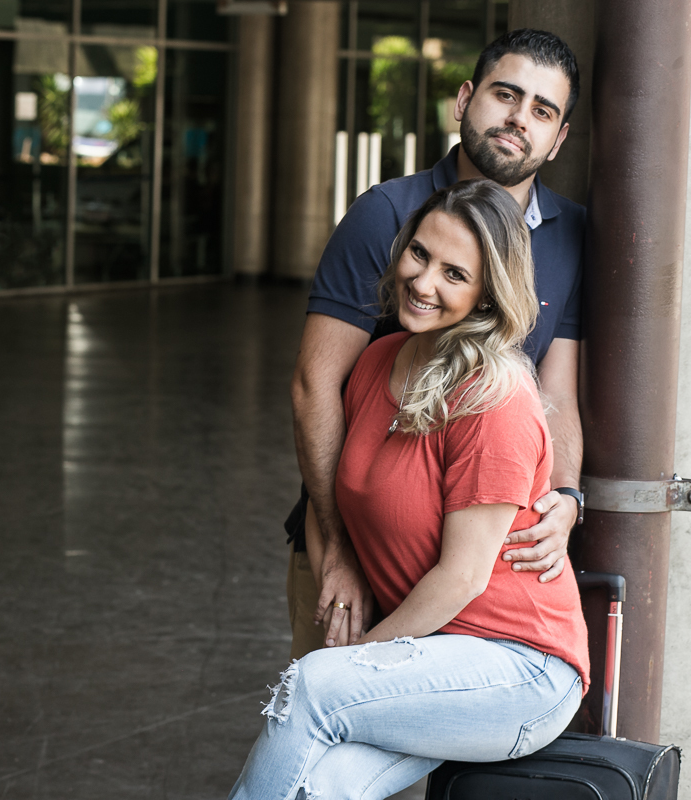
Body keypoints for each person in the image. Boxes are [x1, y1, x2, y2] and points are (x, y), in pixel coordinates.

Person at [229, 179, 590, 800]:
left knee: (314, 687)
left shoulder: (493, 397)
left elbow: (463, 578)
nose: (424, 283)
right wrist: (339, 580)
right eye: (419, 254)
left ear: (487, 294)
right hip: (429, 650)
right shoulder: (378, 360)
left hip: (518, 669)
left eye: (456, 273)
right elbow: (329, 494)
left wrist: (357, 659)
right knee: (321, 786)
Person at [288, 29, 586, 658]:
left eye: (542, 110)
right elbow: (317, 384)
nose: (516, 119)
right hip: (358, 541)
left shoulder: (571, 236)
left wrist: (567, 497)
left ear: (559, 138)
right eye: (505, 95)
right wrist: (338, 552)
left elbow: (555, 393)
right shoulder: (386, 213)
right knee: (323, 721)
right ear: (464, 99)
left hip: (472, 573)